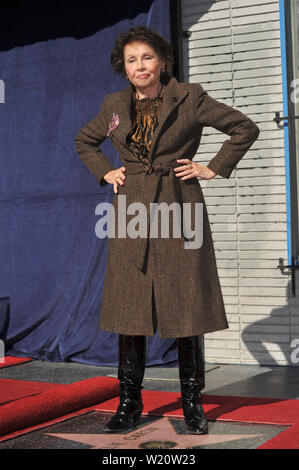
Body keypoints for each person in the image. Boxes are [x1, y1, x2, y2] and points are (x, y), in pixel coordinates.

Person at [74, 26, 260, 435]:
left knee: (187, 304)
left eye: (147, 57)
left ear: (162, 62)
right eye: (131, 60)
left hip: (179, 202)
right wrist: (106, 171)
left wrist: (211, 167)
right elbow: (85, 142)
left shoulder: (189, 96)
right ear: (123, 69)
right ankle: (128, 403)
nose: (140, 66)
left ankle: (193, 405)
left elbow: (243, 127)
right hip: (132, 209)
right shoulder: (114, 105)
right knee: (130, 307)